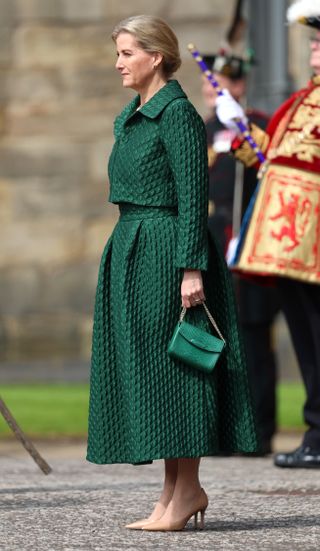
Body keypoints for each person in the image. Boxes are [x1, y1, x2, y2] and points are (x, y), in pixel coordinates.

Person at [86, 14, 257, 532]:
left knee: (178, 370)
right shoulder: (133, 114)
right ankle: (174, 491)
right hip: (134, 247)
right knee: (155, 370)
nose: (118, 63)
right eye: (117, 53)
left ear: (155, 56)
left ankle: (187, 492)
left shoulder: (177, 115)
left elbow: (192, 200)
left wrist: (190, 270)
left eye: (127, 53)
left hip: (167, 252)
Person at [215, 0, 320, 468]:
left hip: (314, 243)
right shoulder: (300, 101)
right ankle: (316, 431)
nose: (314, 49)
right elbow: (272, 161)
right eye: (314, 41)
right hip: (285, 245)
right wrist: (242, 133)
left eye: (319, 42)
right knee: (306, 340)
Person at [201, 52, 280, 455]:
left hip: (249, 240)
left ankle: (259, 430)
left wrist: (242, 126)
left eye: (228, 83)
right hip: (213, 236)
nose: (218, 90)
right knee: (214, 337)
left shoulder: (257, 126)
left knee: (252, 337)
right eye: (215, 82)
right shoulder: (202, 128)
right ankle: (221, 430)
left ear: (240, 85)